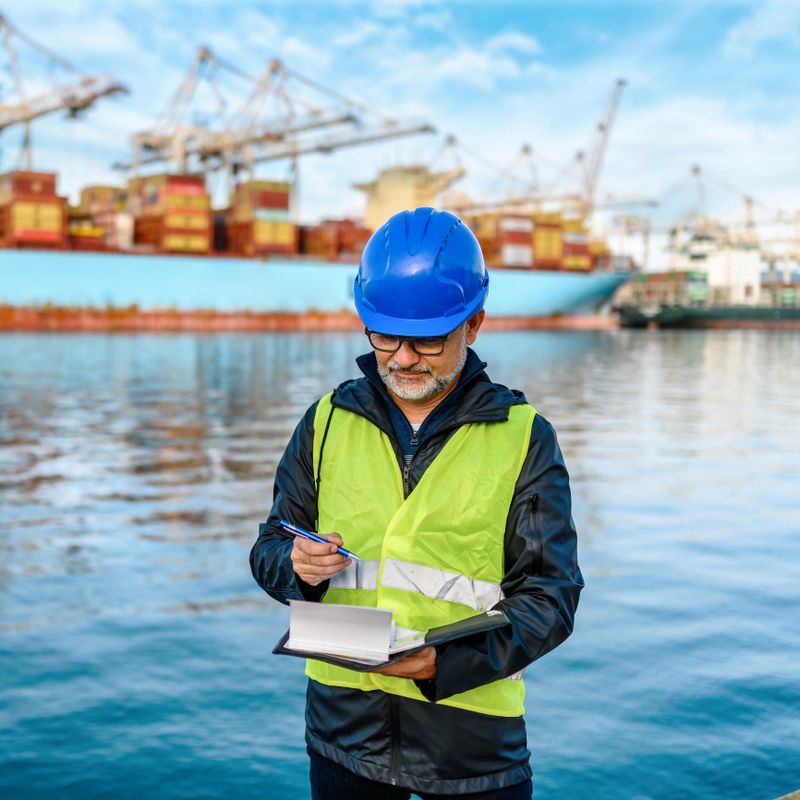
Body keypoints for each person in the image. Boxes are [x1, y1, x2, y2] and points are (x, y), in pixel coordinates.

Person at [250, 207, 583, 799]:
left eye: (428, 339)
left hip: (472, 745)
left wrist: (441, 663)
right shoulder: (325, 422)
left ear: (474, 324)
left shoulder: (525, 437)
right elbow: (270, 548)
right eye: (384, 335)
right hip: (342, 737)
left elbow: (551, 596)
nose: (402, 358)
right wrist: (297, 566)